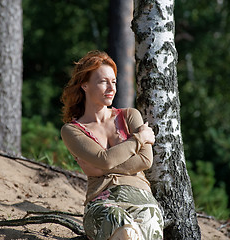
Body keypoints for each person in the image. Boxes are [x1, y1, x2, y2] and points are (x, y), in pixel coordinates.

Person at [61, 50, 164, 240]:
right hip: (102, 202)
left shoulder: (130, 116)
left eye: (114, 81)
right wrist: (138, 139)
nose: (111, 88)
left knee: (143, 229)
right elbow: (106, 160)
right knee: (124, 232)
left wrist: (101, 167)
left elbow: (146, 160)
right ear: (84, 85)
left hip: (143, 201)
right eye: (103, 82)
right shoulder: (72, 130)